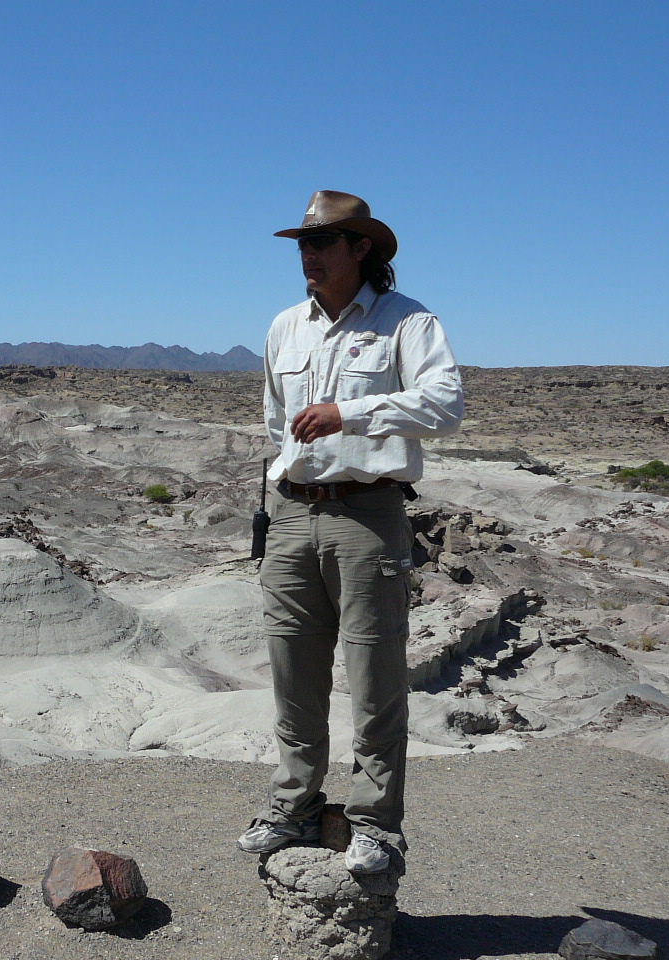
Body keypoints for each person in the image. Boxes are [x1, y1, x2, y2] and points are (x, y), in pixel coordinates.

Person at [236, 190, 464, 873]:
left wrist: (352, 414)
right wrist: (286, 479)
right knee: (293, 674)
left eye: (321, 243)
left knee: (374, 676)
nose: (307, 255)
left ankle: (374, 822)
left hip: (367, 514)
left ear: (361, 249)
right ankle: (294, 806)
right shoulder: (285, 328)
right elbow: (278, 419)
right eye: (303, 244)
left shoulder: (407, 322)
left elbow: (445, 404)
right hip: (291, 513)